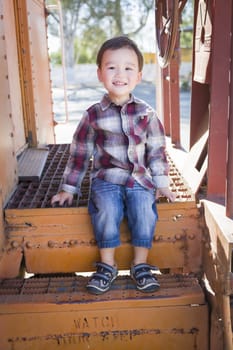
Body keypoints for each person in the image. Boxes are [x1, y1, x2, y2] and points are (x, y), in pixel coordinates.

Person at [51, 36, 176, 295]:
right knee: (106, 209)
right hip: (106, 179)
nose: (120, 74)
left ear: (139, 76)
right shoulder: (93, 114)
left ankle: (140, 264)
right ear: (100, 73)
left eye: (128, 68)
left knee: (144, 209)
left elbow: (156, 150)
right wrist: (68, 189)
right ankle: (107, 265)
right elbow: (80, 153)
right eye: (111, 67)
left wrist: (162, 183)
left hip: (139, 179)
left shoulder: (147, 113)